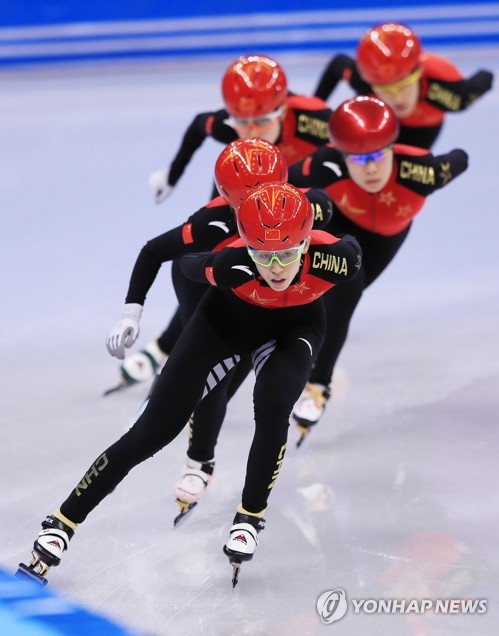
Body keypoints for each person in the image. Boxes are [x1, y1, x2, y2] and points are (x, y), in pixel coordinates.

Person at [17, 182, 361, 587]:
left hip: (296, 328)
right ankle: (62, 522)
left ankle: (250, 515)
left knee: (273, 406)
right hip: (225, 324)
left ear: (305, 243)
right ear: (246, 246)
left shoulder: (336, 259)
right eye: (263, 256)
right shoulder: (231, 262)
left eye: (287, 254)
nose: (276, 268)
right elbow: (185, 266)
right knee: (151, 432)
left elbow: (352, 248)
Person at [110, 53, 334, 392]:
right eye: (241, 123)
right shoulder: (232, 147)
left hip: (291, 196)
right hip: (238, 184)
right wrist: (172, 175)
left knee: (295, 261)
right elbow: (200, 125)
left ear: (284, 111)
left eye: (261, 121)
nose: (249, 131)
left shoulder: (316, 121)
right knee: (213, 266)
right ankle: (167, 345)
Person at [287, 95, 469, 439]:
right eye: (358, 159)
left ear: (392, 148)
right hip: (340, 223)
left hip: (386, 236)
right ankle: (318, 385)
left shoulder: (421, 172)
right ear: (341, 155)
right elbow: (279, 183)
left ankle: (313, 372)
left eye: (378, 156)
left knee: (341, 297)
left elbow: (460, 159)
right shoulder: (325, 165)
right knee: (344, 284)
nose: (370, 168)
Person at [314, 22, 493, 150]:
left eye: (403, 86)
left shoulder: (452, 95)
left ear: (418, 75)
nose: (397, 99)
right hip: (380, 118)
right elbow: (337, 64)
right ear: (371, 85)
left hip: (421, 130)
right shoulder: (363, 79)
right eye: (385, 90)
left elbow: (486, 77)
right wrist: (315, 108)